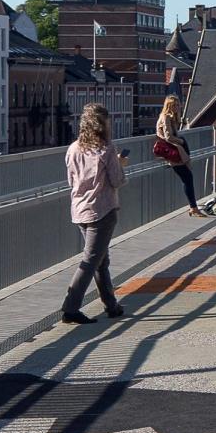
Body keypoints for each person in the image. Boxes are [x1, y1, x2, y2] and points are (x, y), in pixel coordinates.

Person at [61, 103, 126, 325]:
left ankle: (111, 305)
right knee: (91, 260)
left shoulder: (73, 148)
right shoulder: (106, 149)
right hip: (102, 210)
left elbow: (72, 181)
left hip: (80, 210)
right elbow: (117, 180)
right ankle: (71, 308)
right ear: (103, 124)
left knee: (100, 260)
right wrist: (120, 163)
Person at [155, 94, 201, 217]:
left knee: (188, 178)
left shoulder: (170, 118)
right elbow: (168, 136)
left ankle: (194, 207)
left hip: (175, 152)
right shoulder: (166, 117)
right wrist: (181, 141)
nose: (176, 107)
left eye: (177, 105)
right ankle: (193, 207)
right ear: (168, 106)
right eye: (174, 105)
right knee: (187, 179)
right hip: (173, 153)